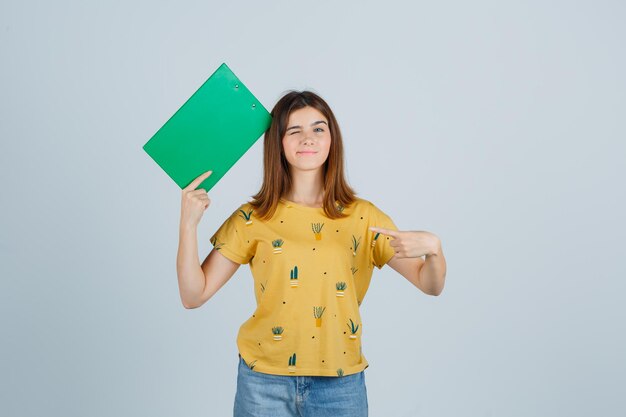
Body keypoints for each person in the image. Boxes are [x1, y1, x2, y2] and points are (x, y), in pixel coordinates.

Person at [176, 90, 447, 417]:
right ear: (278, 142)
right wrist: (187, 226)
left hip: (340, 384)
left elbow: (430, 285)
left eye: (318, 129)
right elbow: (193, 295)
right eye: (294, 130)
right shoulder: (252, 218)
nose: (308, 138)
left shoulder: (364, 217)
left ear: (332, 139)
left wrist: (434, 250)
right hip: (263, 382)